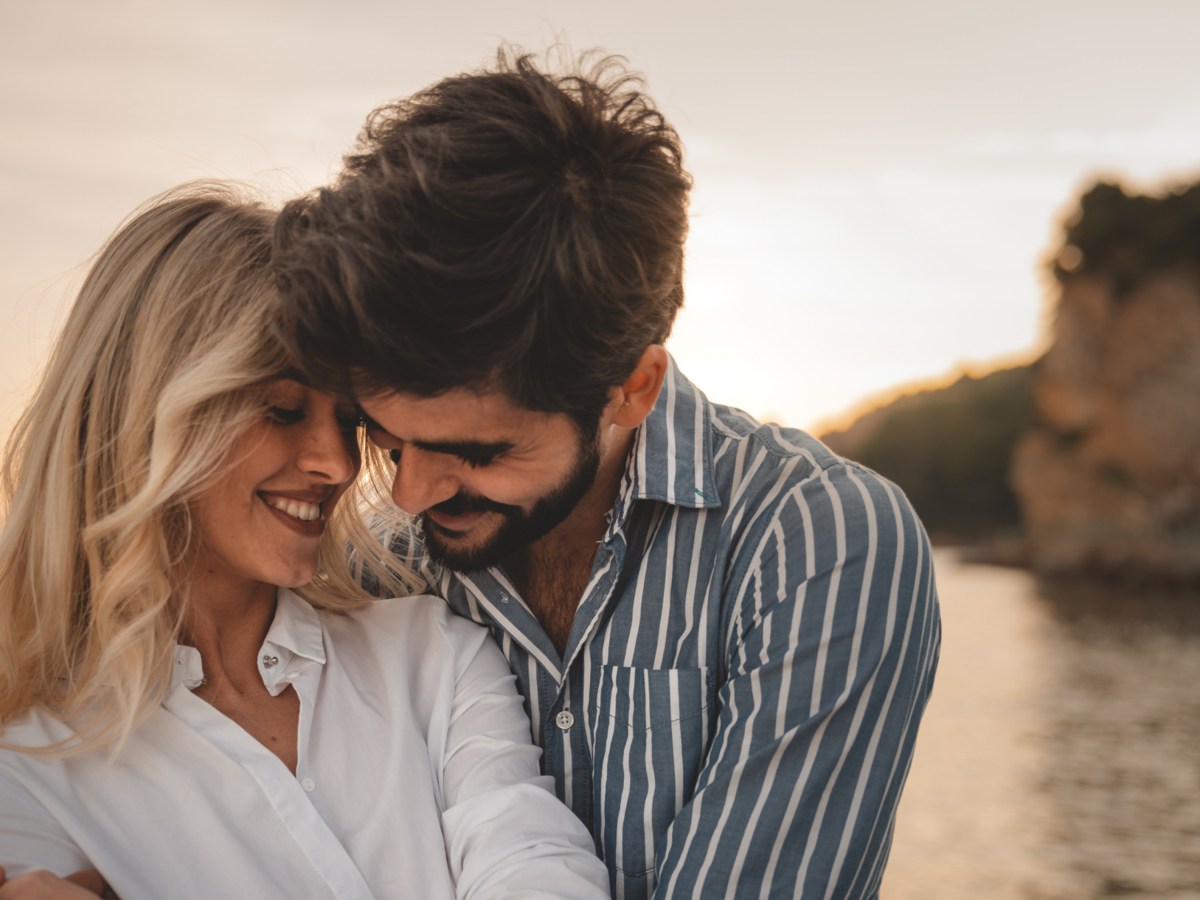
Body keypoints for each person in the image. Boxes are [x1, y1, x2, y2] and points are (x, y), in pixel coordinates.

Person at [272, 48, 942, 899]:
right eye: (388, 441)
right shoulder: (378, 572)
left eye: (478, 452)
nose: (407, 496)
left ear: (632, 387)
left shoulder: (818, 545)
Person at [0, 184, 610, 899]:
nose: (338, 463)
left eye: (349, 421)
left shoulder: (430, 658)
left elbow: (537, 868)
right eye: (281, 409)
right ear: (146, 415)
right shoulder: (25, 765)